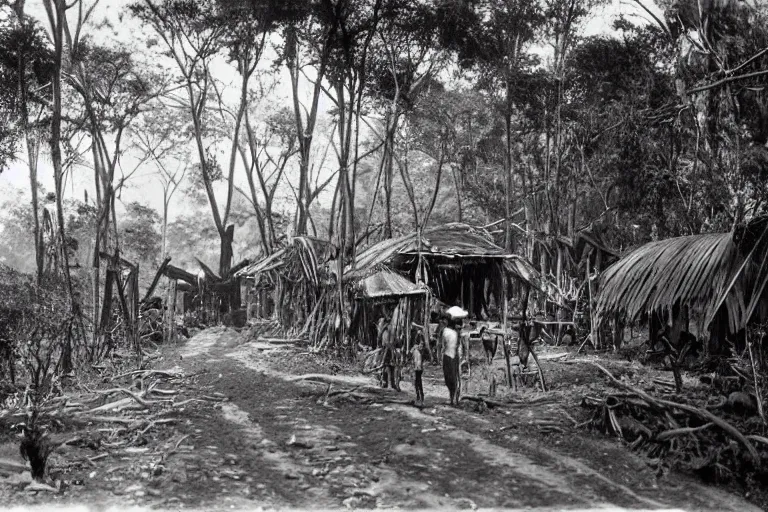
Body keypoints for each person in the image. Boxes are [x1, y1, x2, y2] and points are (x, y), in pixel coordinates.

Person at [441, 318, 462, 405]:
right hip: (453, 357)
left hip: (449, 356)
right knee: (454, 378)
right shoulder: (454, 333)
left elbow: (442, 345)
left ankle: (453, 398)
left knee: (450, 379)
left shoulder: (446, 332)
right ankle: (453, 398)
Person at [411, 339, 425, 406]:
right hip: (417, 369)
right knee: (417, 383)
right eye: (421, 344)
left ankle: (420, 397)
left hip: (419, 369)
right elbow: (414, 360)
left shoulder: (420, 351)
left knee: (418, 383)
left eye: (422, 344)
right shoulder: (416, 351)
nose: (422, 345)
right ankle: (419, 397)